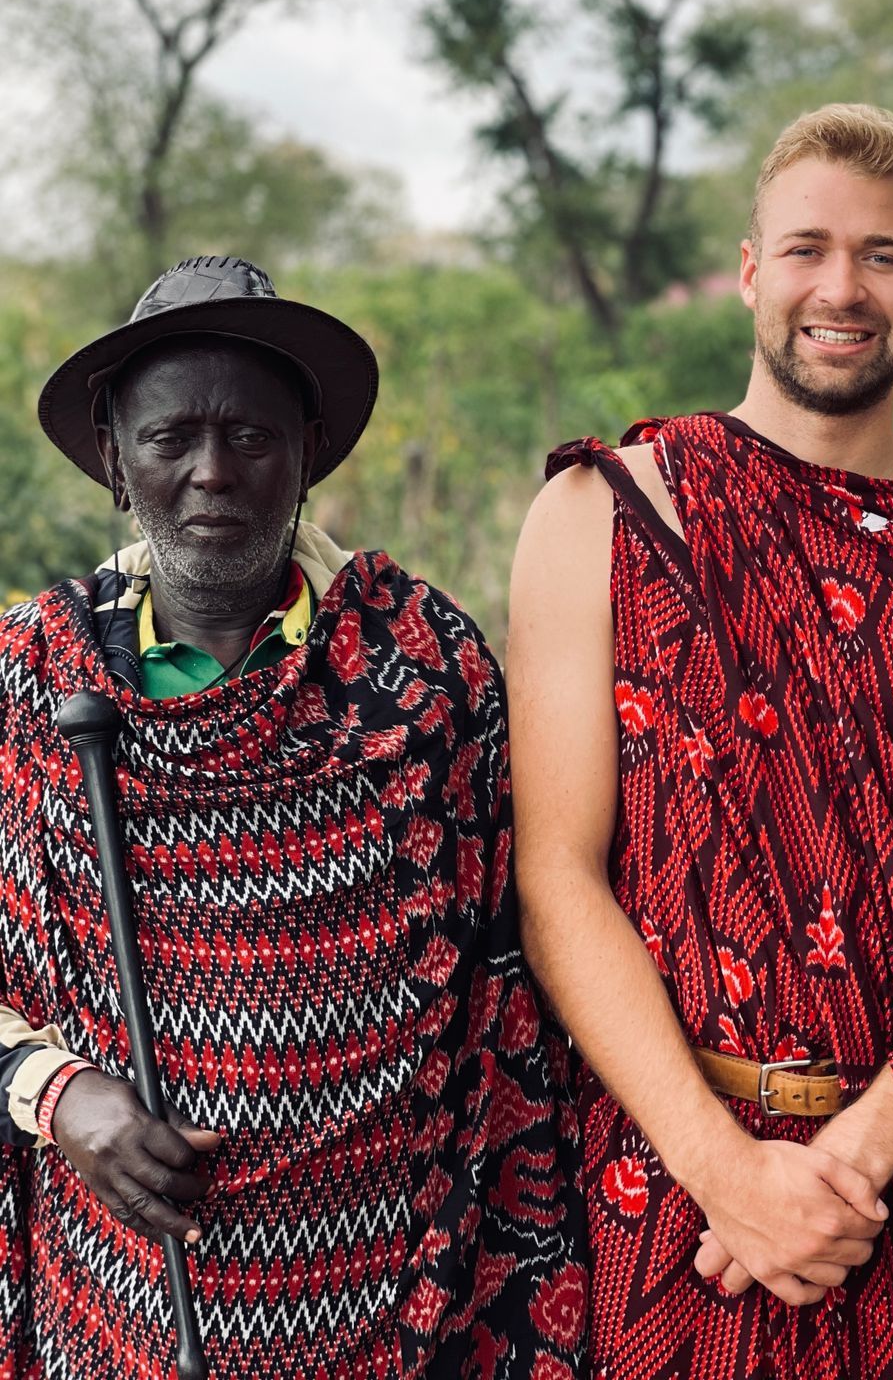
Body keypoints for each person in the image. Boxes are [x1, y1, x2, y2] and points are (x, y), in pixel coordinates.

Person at [507, 104, 893, 1378]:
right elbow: (558, 880)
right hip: (670, 1193)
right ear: (748, 272)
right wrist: (729, 1177)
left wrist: (847, 1168)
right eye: (808, 249)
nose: (843, 287)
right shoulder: (606, 513)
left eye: (883, 257)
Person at [0, 256, 587, 1376]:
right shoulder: (30, 685)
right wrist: (58, 1096)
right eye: (172, 440)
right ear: (118, 467)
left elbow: (506, 992)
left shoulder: (427, 669)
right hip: (116, 1313)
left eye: (252, 438)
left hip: (394, 1306)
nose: (213, 473)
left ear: (307, 456)